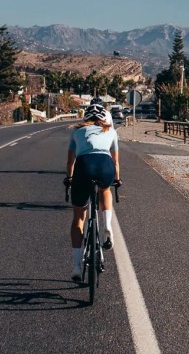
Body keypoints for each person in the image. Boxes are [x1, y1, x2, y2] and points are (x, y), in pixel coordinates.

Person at [64, 101, 121, 282]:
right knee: (105, 189)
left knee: (79, 217)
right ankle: (107, 226)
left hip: (84, 167)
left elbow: (70, 163)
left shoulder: (77, 132)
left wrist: (69, 179)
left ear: (85, 118)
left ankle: (76, 266)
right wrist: (117, 180)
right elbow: (116, 162)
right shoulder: (111, 132)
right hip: (105, 165)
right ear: (104, 118)